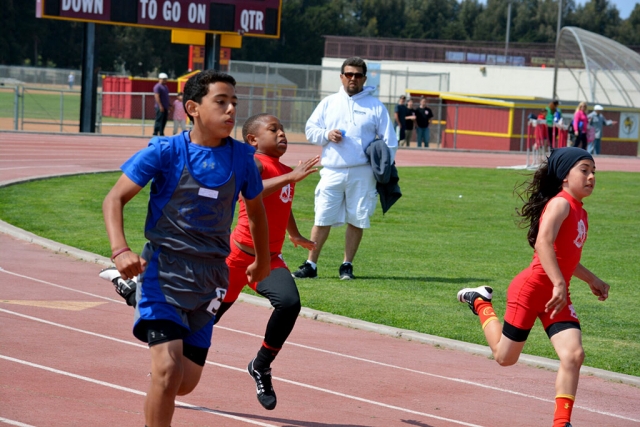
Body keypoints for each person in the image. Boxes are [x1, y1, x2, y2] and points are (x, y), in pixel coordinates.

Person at [101, 69, 270, 427]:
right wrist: (120, 250)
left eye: (234, 103)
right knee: (167, 370)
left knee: (184, 383)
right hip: (163, 270)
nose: (230, 111)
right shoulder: (165, 151)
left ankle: (133, 298)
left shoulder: (243, 159)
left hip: (210, 277)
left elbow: (256, 213)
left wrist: (264, 261)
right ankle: (139, 292)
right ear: (192, 107)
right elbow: (114, 198)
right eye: (220, 102)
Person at [457, 147, 610, 427]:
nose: (591, 177)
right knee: (504, 358)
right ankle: (480, 301)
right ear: (565, 176)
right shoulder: (560, 204)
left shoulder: (580, 212)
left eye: (593, 172)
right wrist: (559, 282)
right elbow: (542, 244)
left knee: (574, 355)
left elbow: (566, 258)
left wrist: (593, 280)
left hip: (555, 296)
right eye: (584, 170)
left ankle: (561, 423)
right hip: (531, 290)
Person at [214, 113, 319, 411]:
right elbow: (251, 195)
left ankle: (261, 366)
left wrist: (295, 234)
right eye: (274, 129)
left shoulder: (286, 171)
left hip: (269, 259)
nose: (282, 133)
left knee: (289, 303)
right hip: (236, 259)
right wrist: (289, 177)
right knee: (205, 323)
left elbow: (281, 203)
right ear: (253, 140)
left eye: (284, 129)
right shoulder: (254, 165)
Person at [292, 56, 398, 280]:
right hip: (332, 169)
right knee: (322, 217)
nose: (353, 78)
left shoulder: (375, 106)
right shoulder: (329, 103)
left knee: (357, 218)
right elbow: (311, 129)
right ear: (341, 77)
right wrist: (326, 134)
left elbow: (389, 140)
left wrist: (384, 168)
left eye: (357, 75)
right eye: (348, 74)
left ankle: (346, 265)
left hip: (363, 171)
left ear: (364, 78)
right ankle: (311, 264)